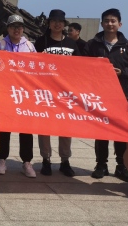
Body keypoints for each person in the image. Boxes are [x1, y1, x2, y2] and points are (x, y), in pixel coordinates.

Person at [86, 8, 128, 182]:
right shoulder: (93, 44)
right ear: (102, 23)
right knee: (101, 131)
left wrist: (123, 73)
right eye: (106, 21)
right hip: (99, 95)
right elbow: (82, 65)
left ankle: (121, 166)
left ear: (120, 24)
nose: (110, 24)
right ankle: (101, 165)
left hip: (121, 95)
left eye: (113, 21)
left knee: (120, 131)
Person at [34, 9, 82, 177]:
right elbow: (31, 64)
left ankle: (65, 161)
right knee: (44, 127)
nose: (57, 24)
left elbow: (80, 66)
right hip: (45, 92)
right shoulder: (41, 42)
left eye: (60, 21)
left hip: (65, 93)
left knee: (65, 128)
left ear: (64, 24)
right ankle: (46, 160)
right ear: (49, 23)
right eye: (54, 21)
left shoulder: (71, 43)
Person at [0, 14, 37, 178]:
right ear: (8, 28)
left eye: (19, 27)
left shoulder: (30, 47)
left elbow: (37, 70)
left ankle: (26, 162)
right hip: (5, 94)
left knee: (26, 129)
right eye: (13, 26)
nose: (16, 30)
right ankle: (2, 159)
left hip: (24, 94)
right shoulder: (0, 45)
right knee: (4, 128)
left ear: (23, 29)